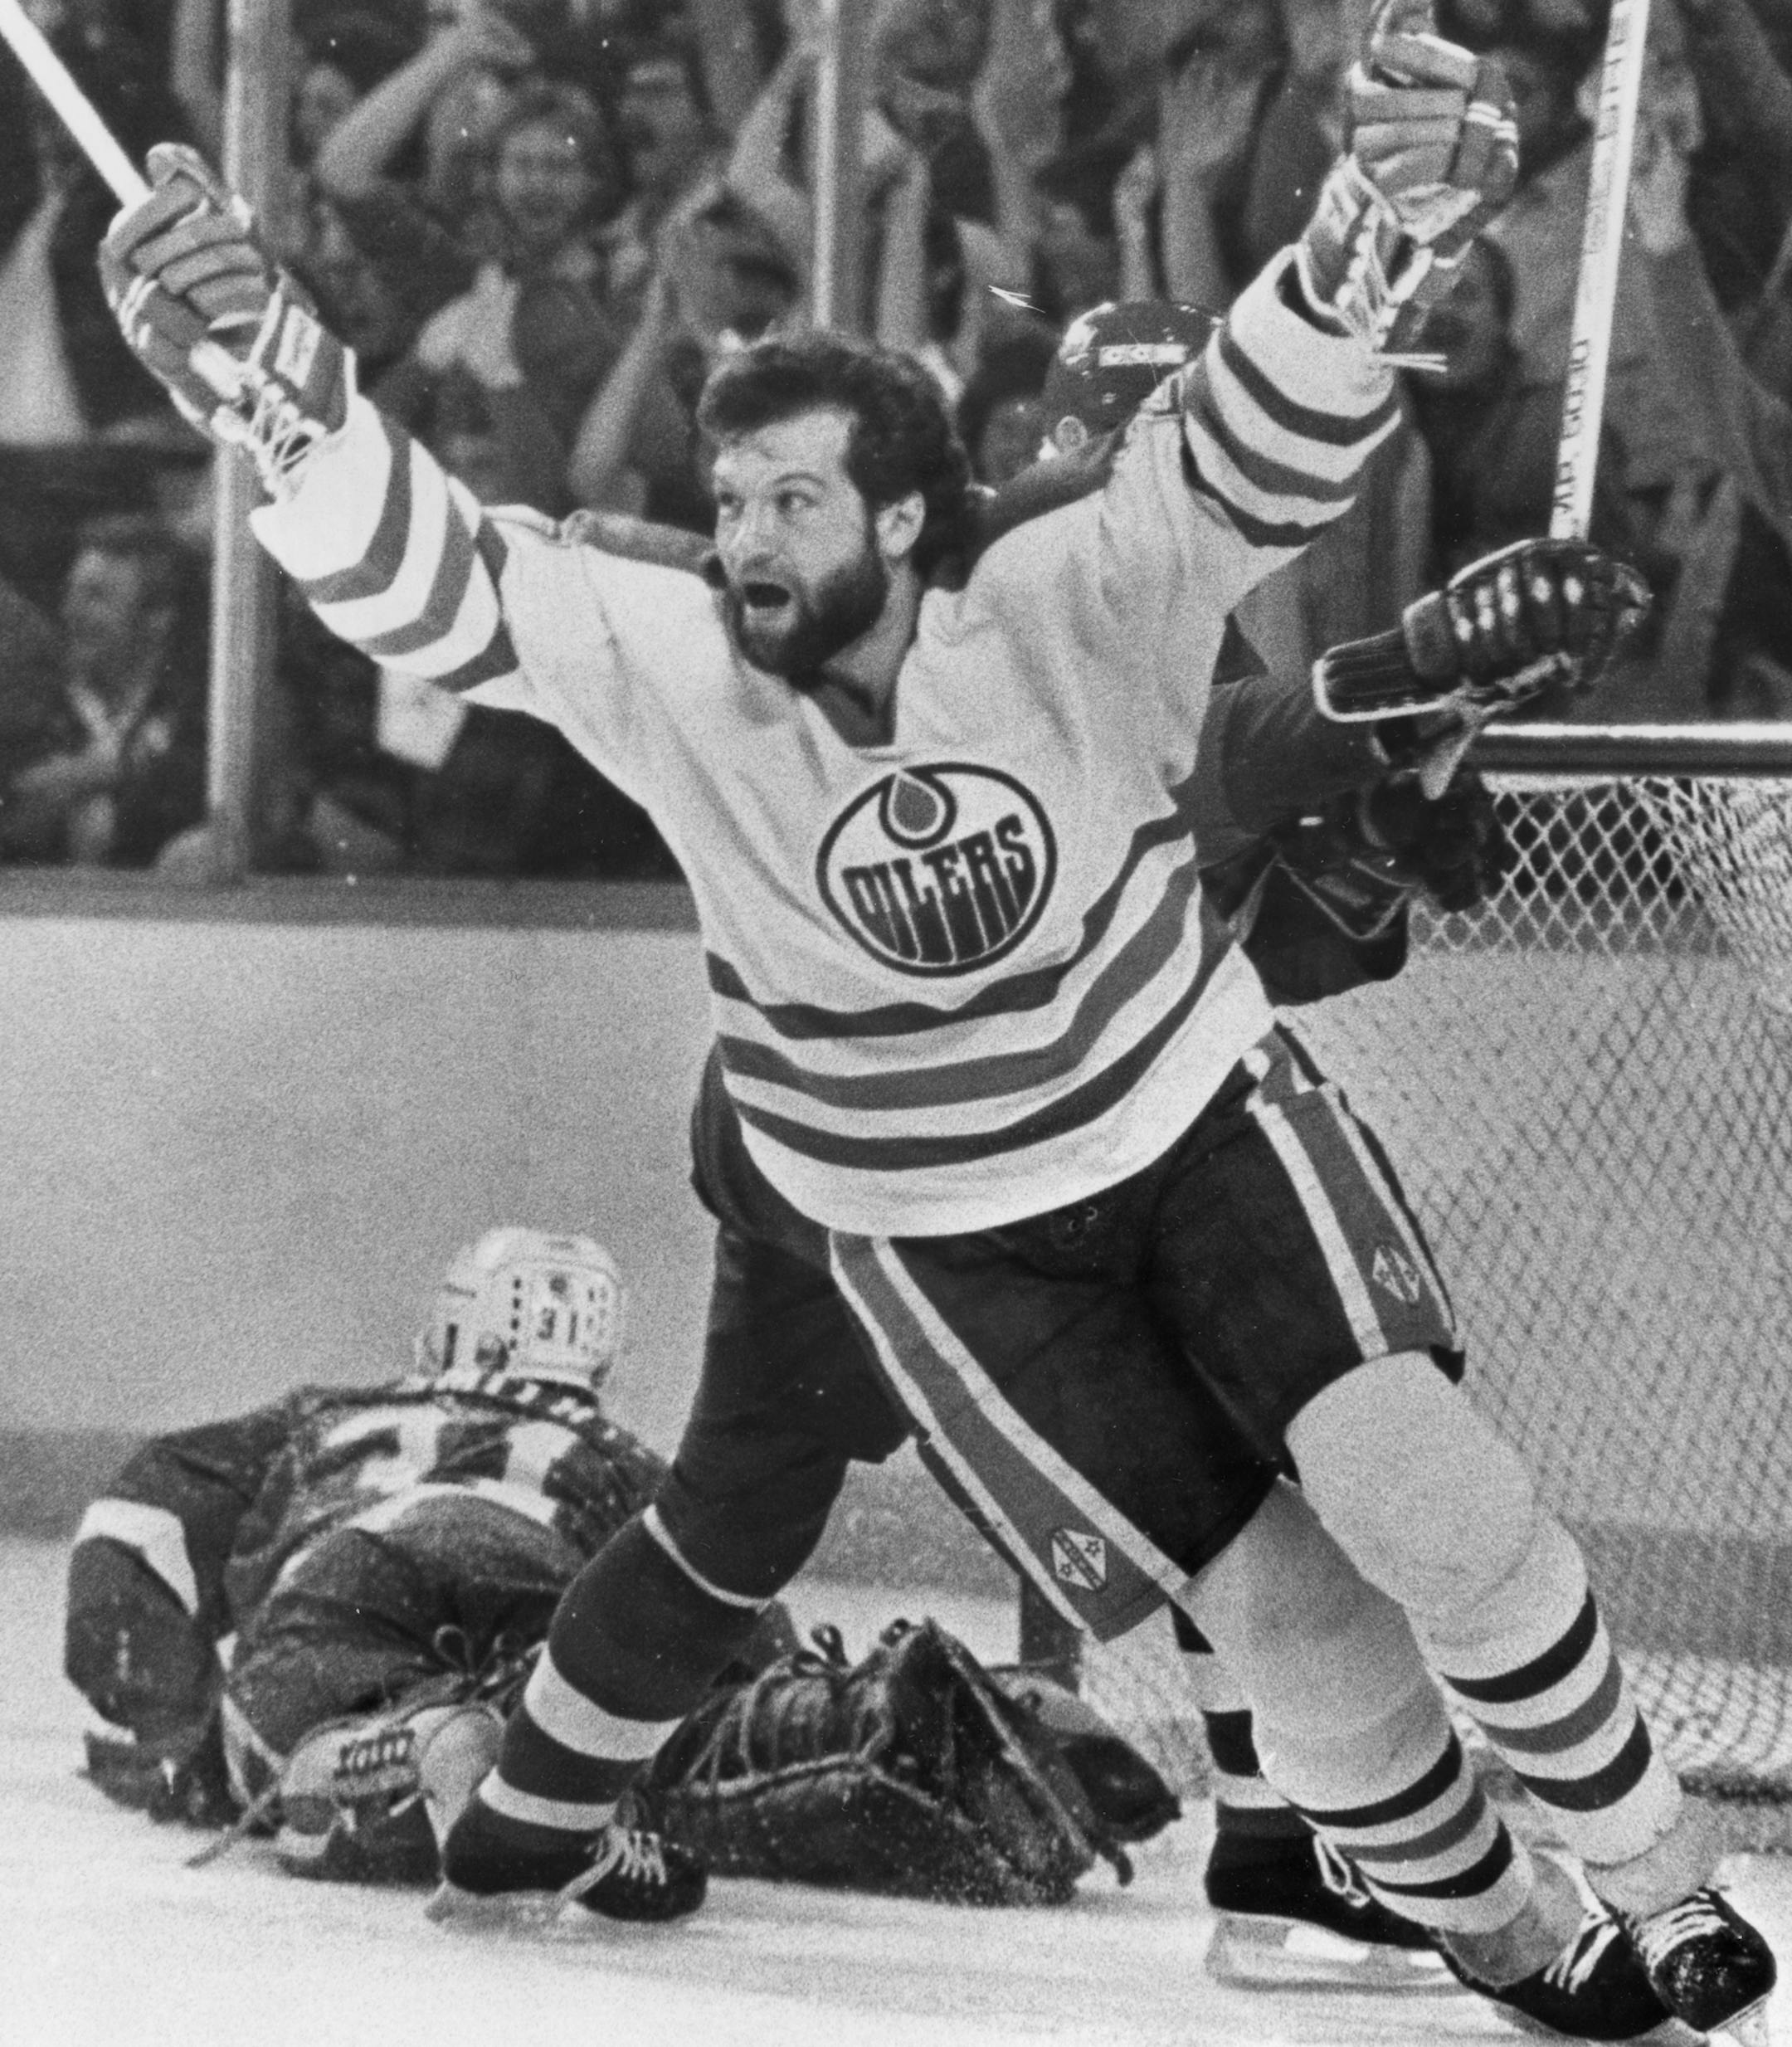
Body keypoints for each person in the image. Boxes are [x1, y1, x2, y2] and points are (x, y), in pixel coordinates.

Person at [95, 7, 1776, 2040]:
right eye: (724, 505)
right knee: (1258, 1595)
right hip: (916, 1221)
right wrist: (276, 387)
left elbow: (1267, 428)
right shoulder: (675, 655)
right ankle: (1499, 1930)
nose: (736, 547)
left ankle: (1654, 1869)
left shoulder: (1078, 586)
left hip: (1176, 1119)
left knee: (1410, 1474)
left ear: (907, 517)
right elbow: (436, 580)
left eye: (786, 507)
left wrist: (1374, 225)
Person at [63, 1227, 700, 1882]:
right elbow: (718, 1615)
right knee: (585, 1718)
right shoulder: (628, 1463)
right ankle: (516, 1758)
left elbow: (133, 1528)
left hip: (339, 1581)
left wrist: (177, 1729)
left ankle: (394, 1746)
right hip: (539, 1574)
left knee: (286, 1721)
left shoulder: (324, 1416)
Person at [0, 510, 207, 868]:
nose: (70, 611)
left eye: (95, 597)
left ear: (158, 618)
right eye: (71, 592)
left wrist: (101, 773)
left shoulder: (198, 703)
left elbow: (211, 800)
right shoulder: (34, 694)